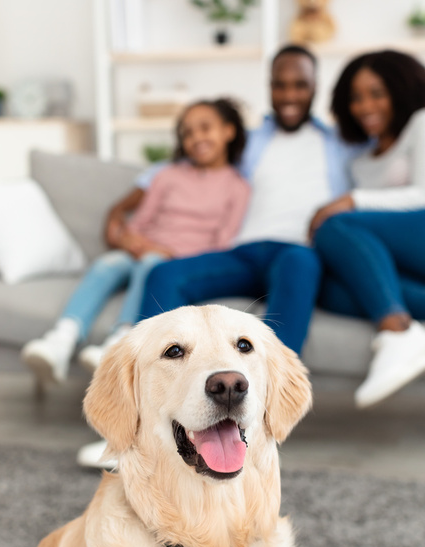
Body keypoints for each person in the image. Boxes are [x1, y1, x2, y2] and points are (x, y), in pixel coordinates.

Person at [129, 44, 356, 359]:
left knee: (300, 263)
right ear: (270, 87)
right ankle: (143, 392)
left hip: (297, 253)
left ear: (315, 87)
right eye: (280, 85)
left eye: (300, 85)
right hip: (241, 254)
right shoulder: (251, 141)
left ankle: (271, 398)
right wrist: (122, 208)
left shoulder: (340, 143)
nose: (289, 95)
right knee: (164, 275)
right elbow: (180, 166)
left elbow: (385, 155)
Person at [21, 98, 250, 384]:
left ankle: (118, 343)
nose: (196, 138)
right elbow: (140, 221)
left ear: (229, 131)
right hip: (143, 249)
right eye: (188, 133)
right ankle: (60, 340)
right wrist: (131, 239)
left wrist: (166, 252)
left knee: (151, 265)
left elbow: (222, 246)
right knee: (107, 264)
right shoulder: (167, 175)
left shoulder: (238, 187)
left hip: (176, 260)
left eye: (205, 128)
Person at [309, 50, 425, 408]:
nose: (365, 105)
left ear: (402, 91)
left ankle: (395, 330)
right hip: (409, 263)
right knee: (329, 286)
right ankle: (405, 321)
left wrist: (351, 200)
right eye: (355, 97)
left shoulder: (424, 123)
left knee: (334, 226)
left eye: (377, 93)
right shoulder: (359, 163)